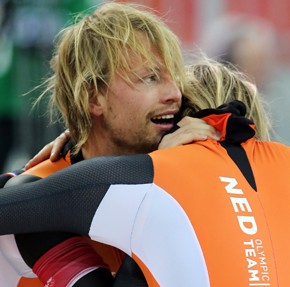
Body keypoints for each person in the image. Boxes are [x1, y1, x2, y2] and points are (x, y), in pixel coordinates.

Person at [0, 58, 289, 287]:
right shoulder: (276, 162)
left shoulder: (159, 174)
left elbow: (12, 203)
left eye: (167, 118)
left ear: (187, 127)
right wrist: (88, 142)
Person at [0, 2, 220, 287]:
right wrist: (157, 182)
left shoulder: (185, 164)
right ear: (94, 99)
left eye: (175, 78)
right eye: (149, 78)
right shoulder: (34, 198)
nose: (174, 94)